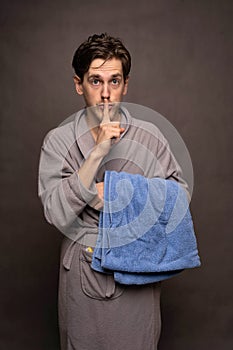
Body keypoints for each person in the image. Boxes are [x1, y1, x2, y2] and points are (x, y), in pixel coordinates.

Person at [38, 33, 189, 350]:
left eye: (114, 81)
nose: (106, 94)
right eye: (95, 81)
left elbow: (179, 198)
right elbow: (54, 211)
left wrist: (121, 196)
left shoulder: (151, 137)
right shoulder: (58, 141)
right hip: (83, 271)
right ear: (79, 84)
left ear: (126, 84)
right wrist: (97, 152)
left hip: (137, 265)